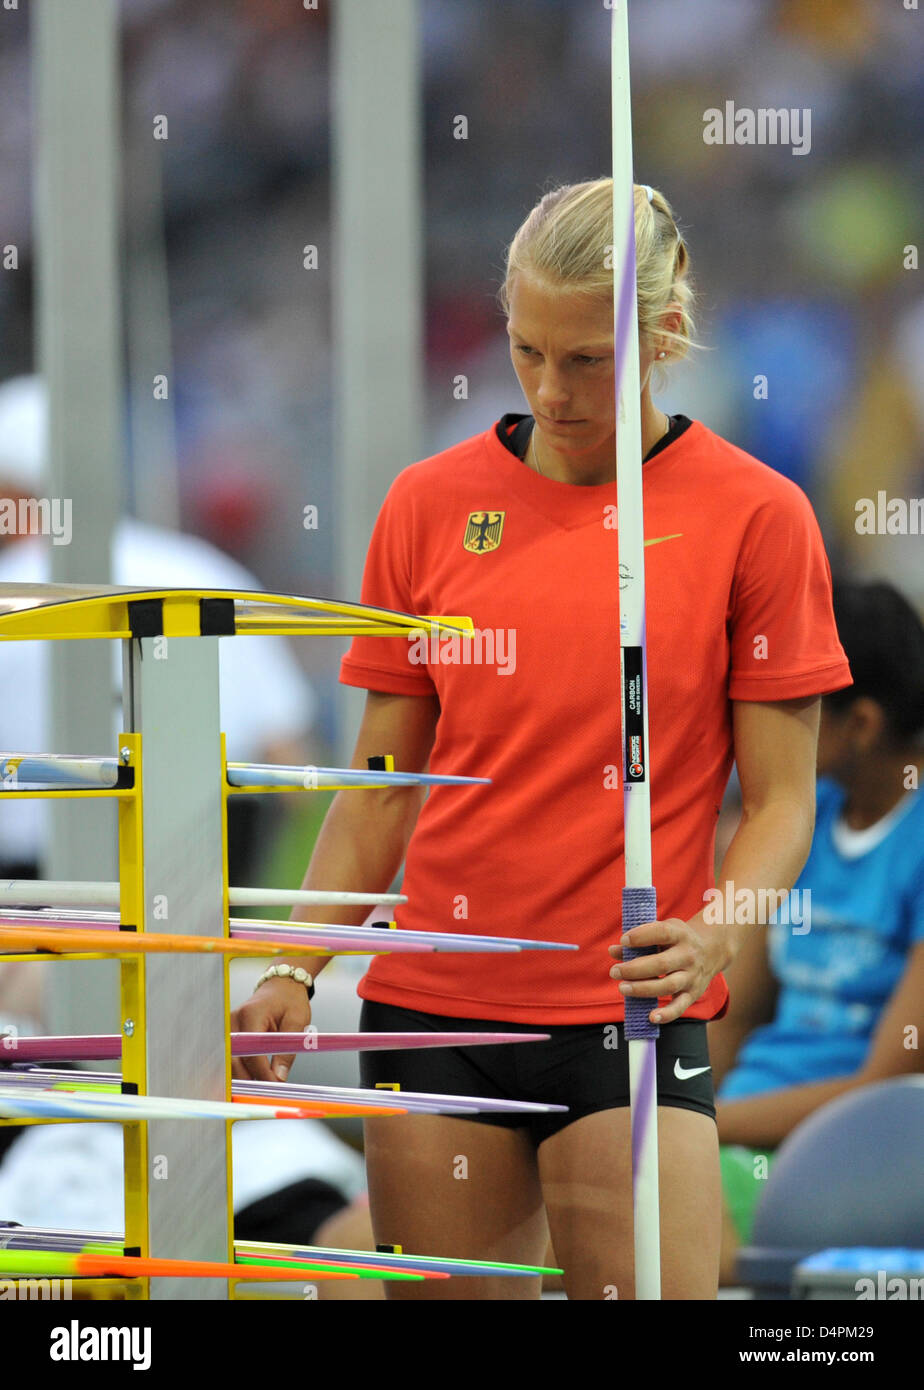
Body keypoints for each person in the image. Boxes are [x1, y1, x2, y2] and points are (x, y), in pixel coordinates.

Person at [232, 179, 852, 1300]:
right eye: (527, 349)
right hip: (436, 1008)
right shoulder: (426, 504)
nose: (552, 389)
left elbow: (784, 804)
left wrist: (718, 935)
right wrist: (292, 959)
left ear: (664, 335)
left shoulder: (759, 516)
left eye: (586, 359)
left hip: (630, 1006)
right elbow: (380, 789)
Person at [712, 579, 924, 1283]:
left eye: (795, 697)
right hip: (728, 1130)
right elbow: (731, 1014)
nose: (765, 712)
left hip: (831, 1158)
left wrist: (704, 1124)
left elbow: (885, 1084)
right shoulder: (797, 825)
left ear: (860, 723)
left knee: (596, 1231)